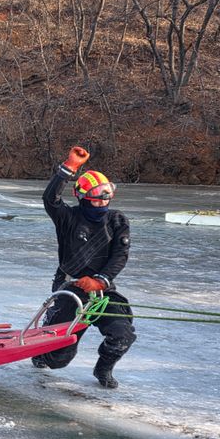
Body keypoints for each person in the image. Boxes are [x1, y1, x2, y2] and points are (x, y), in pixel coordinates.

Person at [32, 146, 136, 388]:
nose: (103, 201)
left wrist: (100, 280)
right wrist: (69, 167)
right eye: (97, 196)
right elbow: (50, 199)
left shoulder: (117, 220)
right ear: (82, 196)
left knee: (123, 334)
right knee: (58, 360)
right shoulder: (67, 218)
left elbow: (120, 255)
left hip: (102, 290)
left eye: (107, 195)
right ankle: (44, 350)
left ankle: (104, 369)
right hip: (71, 286)